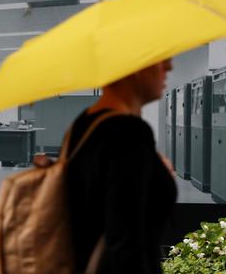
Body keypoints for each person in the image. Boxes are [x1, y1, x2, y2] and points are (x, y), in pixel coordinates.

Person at [65, 58, 176, 274]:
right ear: (134, 68)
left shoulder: (85, 123)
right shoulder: (129, 133)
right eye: (160, 60)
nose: (169, 67)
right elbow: (126, 245)